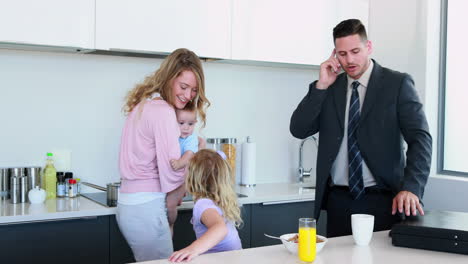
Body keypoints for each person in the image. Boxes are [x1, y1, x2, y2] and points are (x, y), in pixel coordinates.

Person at [290, 19, 432, 238]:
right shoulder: (329, 87)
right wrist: (320, 87)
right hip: (339, 201)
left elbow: (420, 139)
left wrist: (411, 187)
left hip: (384, 201)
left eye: (355, 51)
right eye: (342, 54)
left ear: (369, 47)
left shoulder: (397, 84)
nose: (350, 60)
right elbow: (299, 129)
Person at [117, 48, 210, 261]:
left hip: (131, 205)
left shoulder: (145, 103)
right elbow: (171, 173)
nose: (188, 96)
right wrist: (199, 157)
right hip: (147, 208)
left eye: (194, 90)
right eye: (184, 87)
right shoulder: (163, 112)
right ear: (169, 78)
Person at [169, 149, 243, 263]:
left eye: (187, 169)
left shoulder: (203, 204)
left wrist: (192, 249)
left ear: (193, 178)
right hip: (233, 258)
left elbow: (220, 228)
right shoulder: (219, 199)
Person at [170, 105, 199, 171]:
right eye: (181, 123)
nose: (186, 128)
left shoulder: (192, 138)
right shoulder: (173, 135)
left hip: (187, 170)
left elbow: (189, 154)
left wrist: (179, 163)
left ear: (195, 123)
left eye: (190, 124)